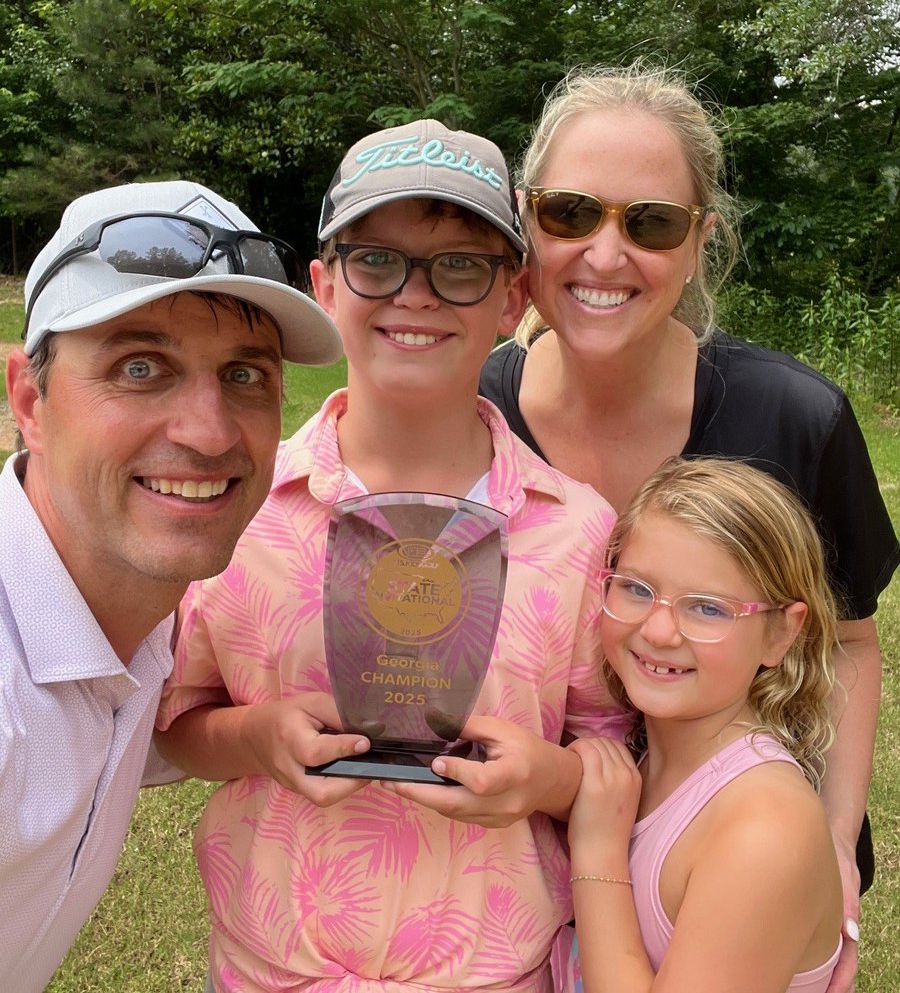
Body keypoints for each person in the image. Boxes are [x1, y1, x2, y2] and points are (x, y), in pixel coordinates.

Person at [154, 120, 627, 993]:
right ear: (325, 285)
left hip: (494, 975)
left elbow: (609, 745)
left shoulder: (576, 529)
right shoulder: (240, 507)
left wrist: (550, 779)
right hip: (270, 971)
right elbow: (181, 720)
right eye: (376, 260)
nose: (416, 295)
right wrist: (255, 736)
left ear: (512, 298)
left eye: (460, 267)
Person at [478, 64, 898, 991]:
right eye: (570, 213)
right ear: (523, 221)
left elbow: (851, 640)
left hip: (721, 873)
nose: (605, 254)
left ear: (701, 241)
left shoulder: (794, 418)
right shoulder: (471, 418)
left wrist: (832, 835)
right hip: (522, 873)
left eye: (652, 223)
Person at [0, 178, 348, 993]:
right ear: (31, 401)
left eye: (244, 375)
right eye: (140, 366)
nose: (210, 432)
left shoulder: (139, 615)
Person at [562, 456, 844, 993]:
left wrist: (597, 848)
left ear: (782, 634)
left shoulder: (765, 829)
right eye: (636, 589)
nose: (659, 630)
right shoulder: (650, 759)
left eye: (709, 609)